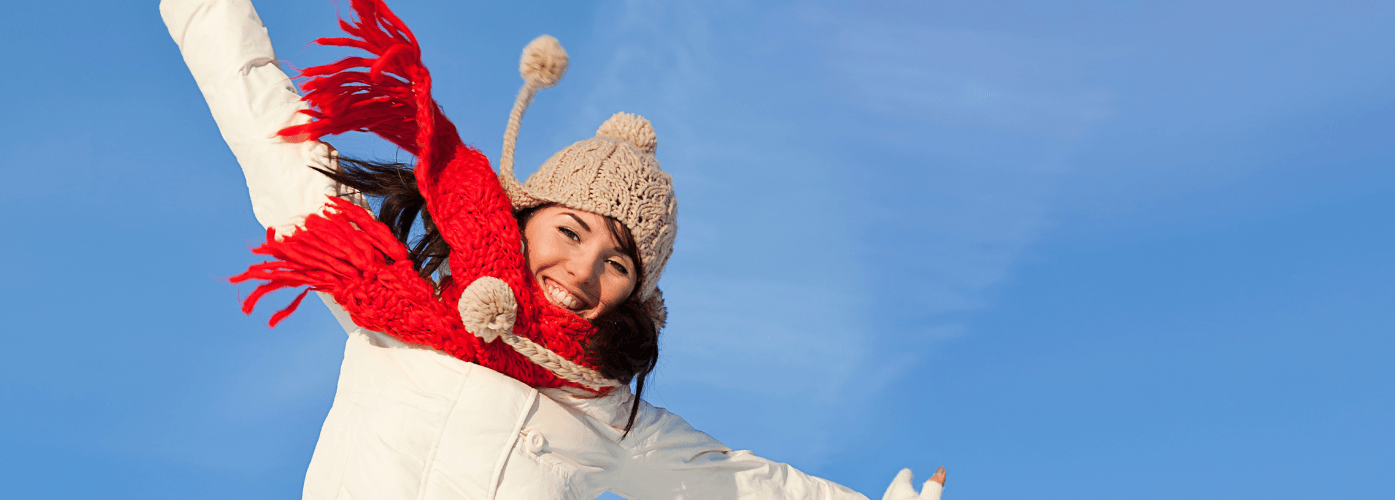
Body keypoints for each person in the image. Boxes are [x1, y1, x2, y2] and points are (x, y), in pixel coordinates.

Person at [161, 0, 947, 498]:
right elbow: (268, 130)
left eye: (619, 263)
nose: (583, 271)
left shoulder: (606, 412)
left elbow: (745, 486)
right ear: (523, 218)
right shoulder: (396, 306)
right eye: (571, 232)